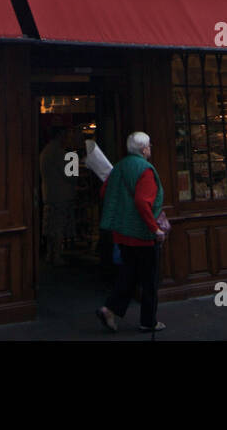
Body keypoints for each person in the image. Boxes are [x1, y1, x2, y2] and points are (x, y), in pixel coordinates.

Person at [96, 132, 167, 334]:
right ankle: (148, 321)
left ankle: (109, 309)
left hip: (122, 233)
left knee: (128, 274)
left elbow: (104, 192)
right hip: (142, 234)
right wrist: (155, 228)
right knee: (149, 281)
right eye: (150, 146)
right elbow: (142, 202)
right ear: (144, 149)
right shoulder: (145, 170)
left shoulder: (119, 167)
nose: (151, 149)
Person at [39, 127, 78, 265]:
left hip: (48, 194)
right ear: (61, 136)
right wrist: (74, 156)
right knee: (59, 226)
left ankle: (50, 253)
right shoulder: (61, 153)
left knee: (50, 225)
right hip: (61, 195)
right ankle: (57, 255)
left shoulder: (45, 151)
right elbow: (72, 175)